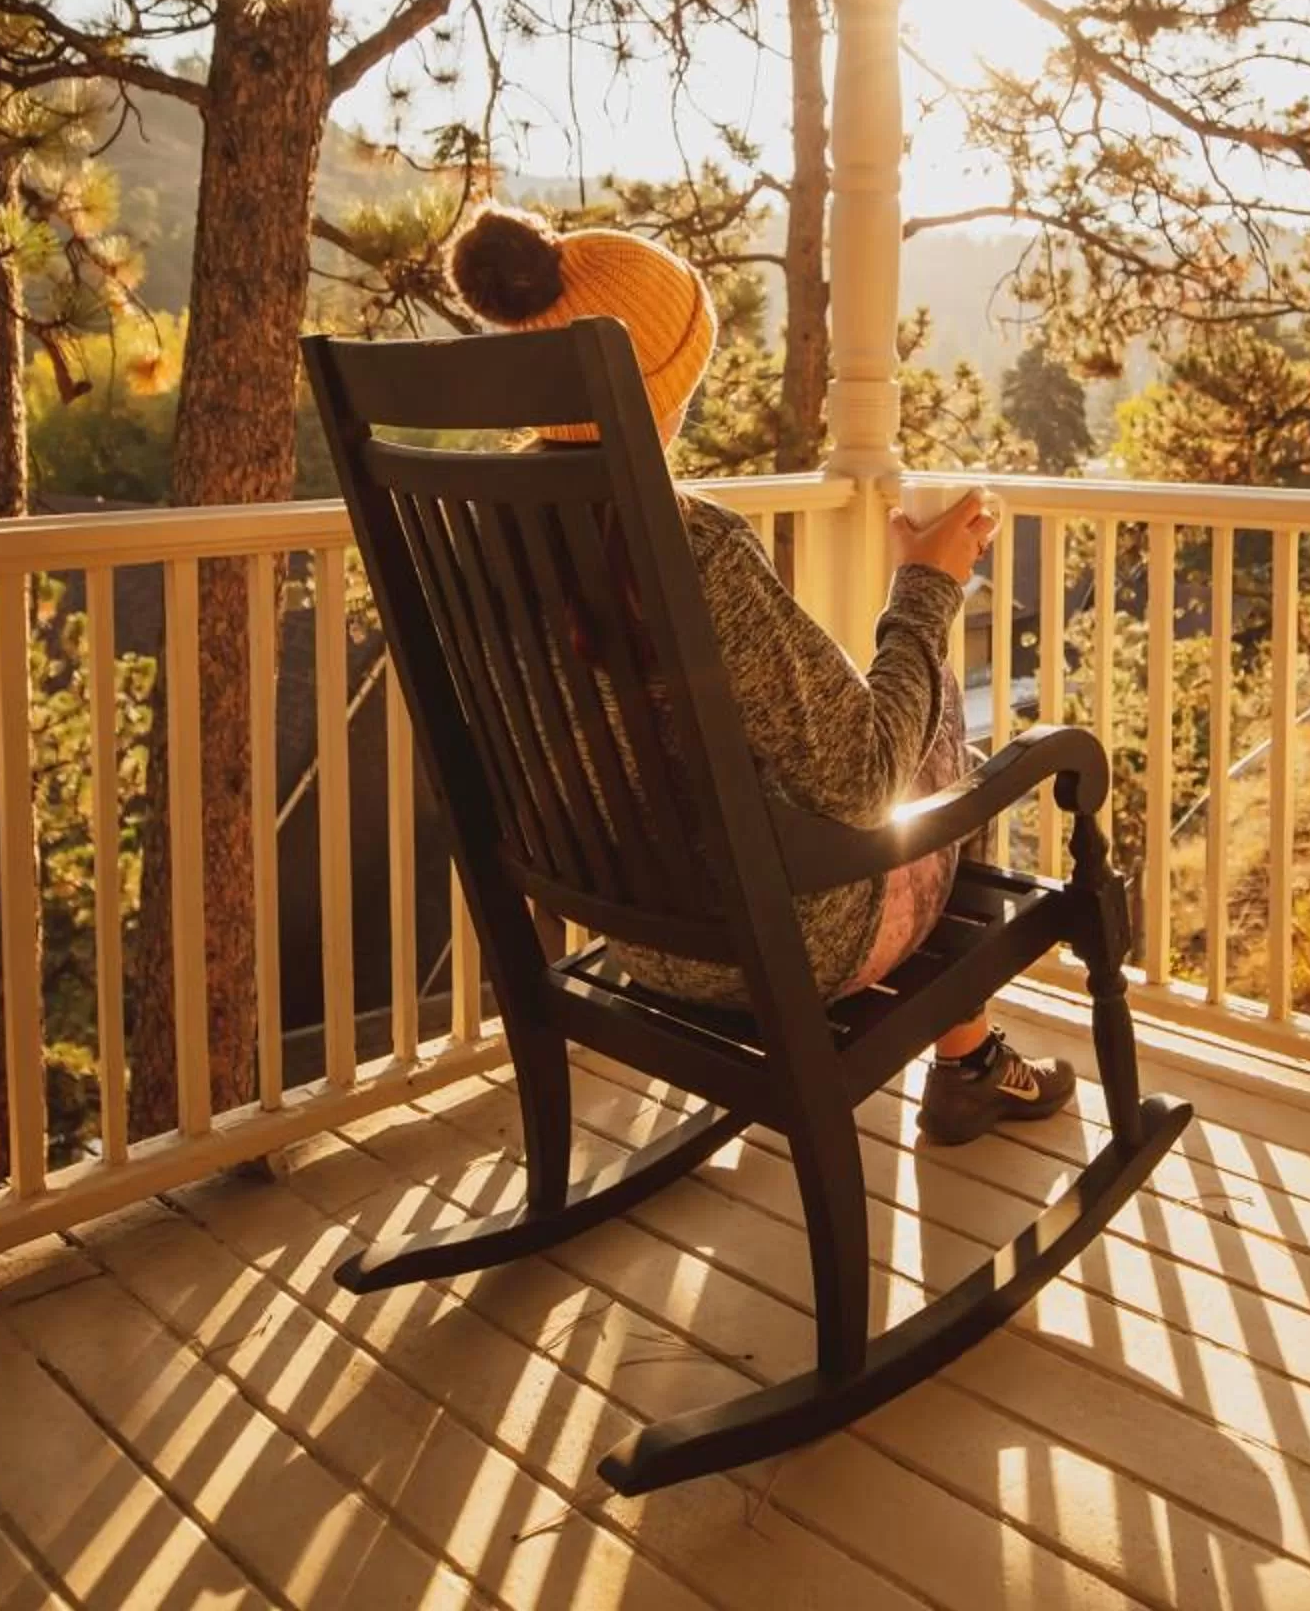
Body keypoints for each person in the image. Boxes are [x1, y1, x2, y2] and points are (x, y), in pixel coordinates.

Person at [446, 204, 1075, 1145]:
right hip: (783, 950)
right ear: (670, 373)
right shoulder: (687, 546)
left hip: (634, 939)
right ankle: (970, 1063)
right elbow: (863, 780)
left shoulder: (491, 537)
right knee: (938, 707)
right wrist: (926, 586)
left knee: (904, 729)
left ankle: (972, 1056)